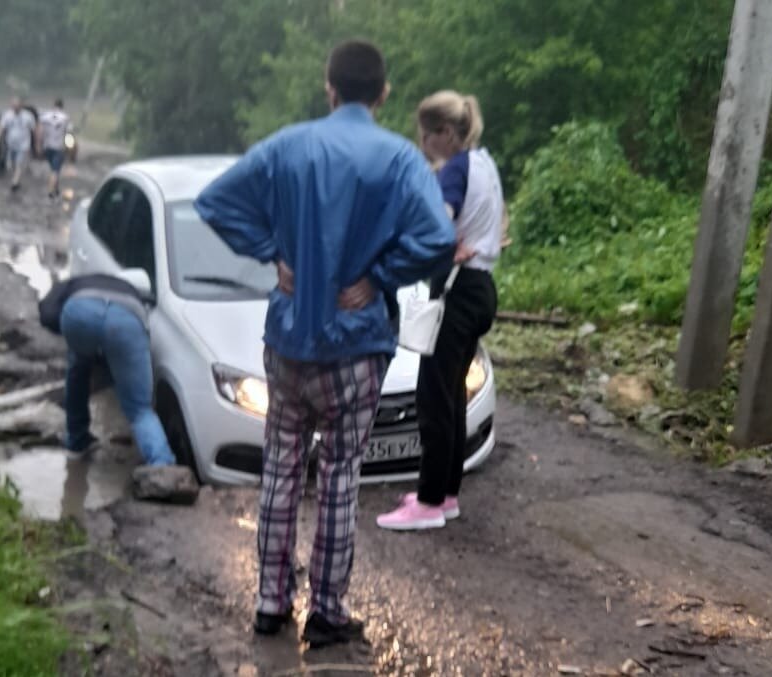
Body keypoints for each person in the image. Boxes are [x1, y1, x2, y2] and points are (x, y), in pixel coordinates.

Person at [194, 41, 455, 648]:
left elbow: (214, 203)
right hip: (356, 349)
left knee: (281, 472)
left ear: (328, 87)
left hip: (287, 342)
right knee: (340, 478)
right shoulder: (398, 159)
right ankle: (328, 611)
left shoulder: (288, 146)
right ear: (384, 94)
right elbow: (439, 239)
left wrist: (272, 255)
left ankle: (269, 601)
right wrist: (380, 278)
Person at [376, 91, 505, 531]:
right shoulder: (484, 163)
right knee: (452, 394)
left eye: (425, 134)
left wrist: (437, 246)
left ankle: (428, 502)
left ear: (445, 133)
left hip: (455, 292)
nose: (422, 142)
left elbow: (436, 223)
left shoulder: (454, 169)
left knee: (433, 394)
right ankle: (445, 493)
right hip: (481, 285)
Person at [38, 273, 200, 504]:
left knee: (78, 368)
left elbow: (46, 313)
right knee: (139, 408)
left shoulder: (74, 283)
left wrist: (70, 333)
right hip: (125, 322)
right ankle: (162, 465)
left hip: (79, 314)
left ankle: (76, 442)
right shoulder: (133, 293)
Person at [0, 97, 35, 192]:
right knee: (11, 165)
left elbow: (33, 130)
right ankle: (15, 179)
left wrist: (35, 144)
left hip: (23, 145)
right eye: (14, 105)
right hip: (11, 145)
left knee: (19, 164)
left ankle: (15, 182)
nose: (15, 107)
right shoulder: (7, 115)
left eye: (17, 105)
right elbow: (1, 127)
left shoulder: (28, 116)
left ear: (21, 106)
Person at [39, 98, 70, 199]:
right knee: (55, 170)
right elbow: (68, 133)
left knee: (53, 169)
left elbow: (40, 131)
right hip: (59, 147)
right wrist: (68, 147)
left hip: (47, 146)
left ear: (54, 105)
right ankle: (51, 191)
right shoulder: (65, 117)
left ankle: (56, 188)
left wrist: (39, 144)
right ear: (62, 106)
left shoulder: (45, 116)